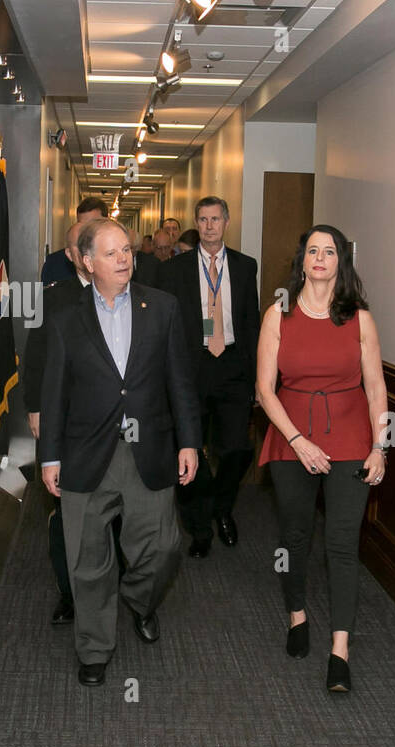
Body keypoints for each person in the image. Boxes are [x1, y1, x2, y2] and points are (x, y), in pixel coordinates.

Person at [38, 218, 201, 687]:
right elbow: (54, 393)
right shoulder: (67, 317)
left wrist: (189, 441)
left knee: (164, 546)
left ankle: (137, 598)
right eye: (111, 254)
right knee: (86, 558)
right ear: (87, 263)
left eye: (127, 250)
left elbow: (180, 381)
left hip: (147, 448)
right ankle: (94, 647)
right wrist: (50, 457)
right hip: (85, 453)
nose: (124, 259)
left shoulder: (162, 308)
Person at [256, 225, 387, 693]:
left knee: (341, 542)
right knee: (294, 535)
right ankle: (297, 616)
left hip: (350, 436)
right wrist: (297, 441)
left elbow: (375, 387)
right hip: (292, 437)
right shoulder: (279, 314)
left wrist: (379, 446)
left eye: (329, 251)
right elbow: (264, 390)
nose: (320, 258)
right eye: (312, 250)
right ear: (302, 260)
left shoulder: (360, 319)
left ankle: (340, 650)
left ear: (340, 262)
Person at [159, 197, 261, 554]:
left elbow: (251, 323)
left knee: (236, 449)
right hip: (192, 367)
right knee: (189, 451)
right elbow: (166, 326)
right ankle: (199, 528)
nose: (209, 226)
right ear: (197, 223)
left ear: (226, 222)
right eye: (202, 220)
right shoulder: (175, 269)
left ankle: (222, 507)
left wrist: (258, 378)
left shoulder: (247, 267)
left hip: (232, 366)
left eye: (215, 219)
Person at [25, 220, 92, 625]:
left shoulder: (130, 297)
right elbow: (35, 356)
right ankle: (69, 592)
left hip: (111, 425)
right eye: (78, 246)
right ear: (71, 256)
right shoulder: (54, 298)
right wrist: (35, 409)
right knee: (65, 510)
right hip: (64, 421)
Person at [40, 197, 108, 285]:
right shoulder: (55, 264)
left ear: (107, 222)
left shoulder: (119, 259)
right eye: (82, 225)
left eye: (93, 225)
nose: (87, 231)